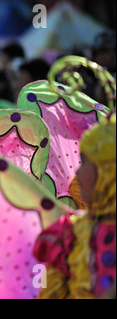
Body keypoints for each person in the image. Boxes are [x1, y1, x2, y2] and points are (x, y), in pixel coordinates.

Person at [33, 113, 116, 299]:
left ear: (109, 172)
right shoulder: (69, 236)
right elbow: (44, 291)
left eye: (85, 162)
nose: (77, 171)